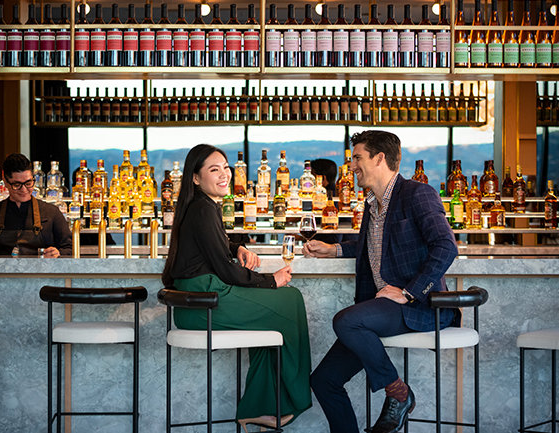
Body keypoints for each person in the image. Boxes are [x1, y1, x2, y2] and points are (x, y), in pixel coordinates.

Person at [303, 131, 458, 433]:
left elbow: (446, 246)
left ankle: (399, 393)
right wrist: (333, 249)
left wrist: (409, 292)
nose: (351, 166)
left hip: (418, 306)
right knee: (323, 380)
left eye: (357, 158)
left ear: (379, 158)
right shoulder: (372, 203)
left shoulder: (417, 193)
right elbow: (375, 246)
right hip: (379, 308)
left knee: (346, 322)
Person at [162, 144, 312, 430]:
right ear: (195, 178)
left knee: (274, 322)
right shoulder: (203, 209)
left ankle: (259, 406)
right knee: (290, 299)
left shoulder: (201, 207)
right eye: (214, 169)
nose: (224, 175)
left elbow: (211, 246)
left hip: (200, 300)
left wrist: (237, 246)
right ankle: (289, 397)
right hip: (205, 303)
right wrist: (271, 280)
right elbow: (225, 270)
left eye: (226, 168)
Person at [0, 153, 72, 257]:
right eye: (17, 185)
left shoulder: (52, 213)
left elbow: (69, 249)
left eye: (28, 183)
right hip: (2, 272)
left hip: (39, 272)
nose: (24, 190)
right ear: (5, 181)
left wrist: (58, 253)